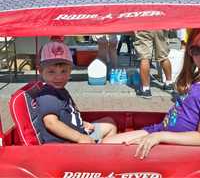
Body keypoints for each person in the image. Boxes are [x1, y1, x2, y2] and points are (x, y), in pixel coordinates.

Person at [102, 28, 200, 159]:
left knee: (111, 151)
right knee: (106, 144)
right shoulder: (195, 80)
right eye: (196, 50)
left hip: (172, 143)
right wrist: (158, 134)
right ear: (190, 53)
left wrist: (160, 137)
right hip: (160, 130)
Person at [35, 40, 117, 143]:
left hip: (77, 132)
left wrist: (81, 123)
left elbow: (68, 115)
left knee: (110, 123)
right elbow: (51, 123)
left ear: (70, 71)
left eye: (64, 71)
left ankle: (101, 150)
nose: (59, 77)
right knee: (110, 132)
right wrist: (79, 137)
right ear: (41, 72)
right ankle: (101, 153)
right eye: (51, 72)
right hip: (66, 144)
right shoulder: (48, 96)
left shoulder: (59, 89)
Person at [134, 30, 173, 98]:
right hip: (160, 25)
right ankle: (169, 83)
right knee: (163, 56)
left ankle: (146, 89)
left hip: (143, 26)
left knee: (144, 57)